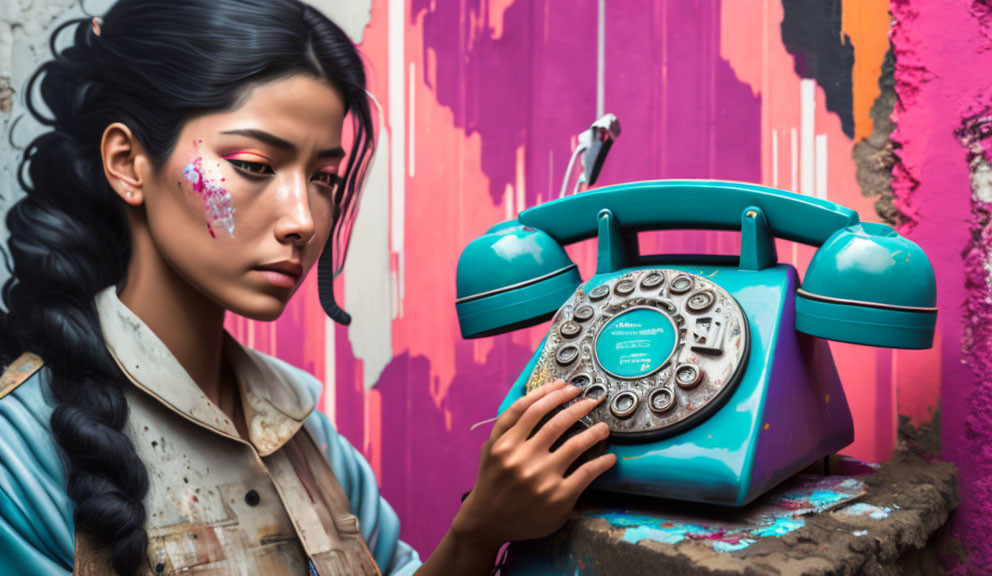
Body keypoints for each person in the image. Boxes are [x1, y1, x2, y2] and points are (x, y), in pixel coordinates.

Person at [0, 1, 617, 575]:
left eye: (323, 177)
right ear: (128, 163)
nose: (302, 219)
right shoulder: (17, 453)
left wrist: (479, 530)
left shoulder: (309, 433)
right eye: (254, 166)